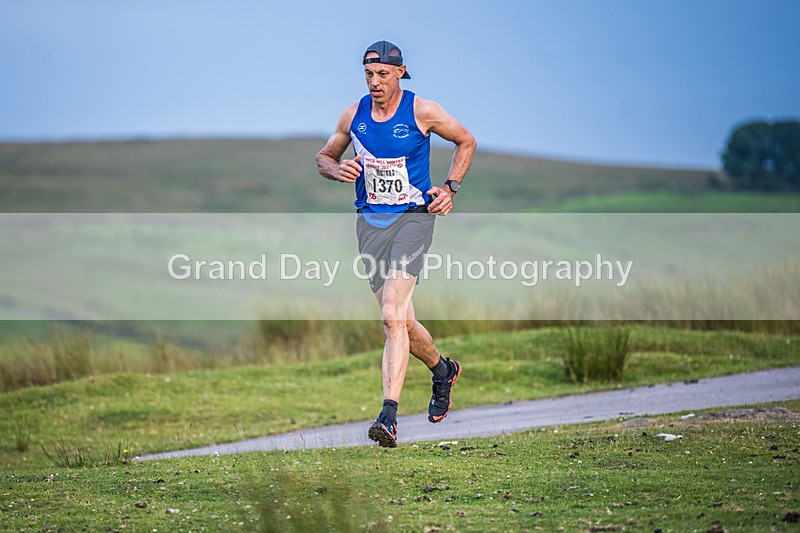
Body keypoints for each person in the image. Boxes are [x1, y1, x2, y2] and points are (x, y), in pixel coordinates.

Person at [316, 40, 476, 448]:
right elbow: (324, 156)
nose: (375, 82)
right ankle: (443, 371)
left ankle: (388, 417)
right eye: (368, 75)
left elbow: (466, 140)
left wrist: (450, 188)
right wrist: (337, 169)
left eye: (383, 74)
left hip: (414, 219)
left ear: (400, 72)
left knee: (390, 316)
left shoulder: (422, 110)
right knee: (402, 322)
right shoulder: (353, 115)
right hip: (370, 225)